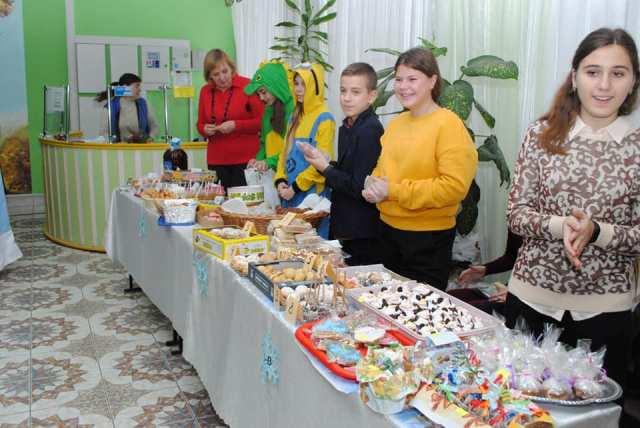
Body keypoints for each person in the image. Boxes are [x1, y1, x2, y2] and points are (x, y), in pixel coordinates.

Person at [505, 28, 640, 393]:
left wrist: (597, 232)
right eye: (593, 71)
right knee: (518, 408)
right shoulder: (541, 134)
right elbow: (516, 214)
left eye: (618, 73)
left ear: (632, 82)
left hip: (605, 313)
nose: (604, 85)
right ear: (575, 76)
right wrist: (560, 225)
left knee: (596, 413)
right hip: (531, 301)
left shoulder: (635, 147)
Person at [362, 48, 478, 290]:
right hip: (387, 233)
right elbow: (383, 169)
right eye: (399, 79)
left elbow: (454, 187)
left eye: (412, 79)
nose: (403, 87)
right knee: (386, 304)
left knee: (418, 309)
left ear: (432, 81)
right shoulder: (396, 124)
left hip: (428, 241)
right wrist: (372, 185)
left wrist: (393, 191)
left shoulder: (449, 125)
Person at [301, 62, 384, 265]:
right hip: (345, 222)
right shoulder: (348, 124)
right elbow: (348, 170)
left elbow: (358, 186)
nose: (346, 98)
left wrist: (325, 168)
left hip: (360, 229)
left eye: (355, 92)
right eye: (343, 90)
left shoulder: (370, 130)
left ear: (372, 96)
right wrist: (325, 162)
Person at [197, 49, 264, 190]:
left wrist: (236, 125)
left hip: (247, 160)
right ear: (209, 76)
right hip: (216, 160)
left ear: (231, 68)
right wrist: (204, 129)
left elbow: (262, 122)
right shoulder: (205, 91)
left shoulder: (248, 86)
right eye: (216, 74)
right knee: (219, 201)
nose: (222, 78)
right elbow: (200, 124)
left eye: (225, 71)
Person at [274, 63, 335, 208]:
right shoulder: (294, 116)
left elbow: (322, 163)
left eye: (304, 84)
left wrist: (295, 187)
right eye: (296, 83)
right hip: (290, 194)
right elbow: (284, 153)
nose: (298, 89)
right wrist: (280, 179)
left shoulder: (324, 118)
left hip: (312, 198)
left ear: (314, 86)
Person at [244, 60, 295, 172]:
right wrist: (257, 161)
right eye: (258, 94)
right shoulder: (268, 110)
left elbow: (293, 149)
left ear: (276, 87)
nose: (261, 98)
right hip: (273, 174)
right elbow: (264, 144)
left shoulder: (294, 110)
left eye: (263, 92)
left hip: (291, 173)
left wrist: (270, 162)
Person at [96, 73, 158, 142]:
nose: (140, 89)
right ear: (125, 87)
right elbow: (103, 133)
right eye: (137, 86)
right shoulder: (110, 107)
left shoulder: (144, 104)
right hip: (118, 147)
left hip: (141, 147)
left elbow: (154, 126)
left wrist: (150, 138)